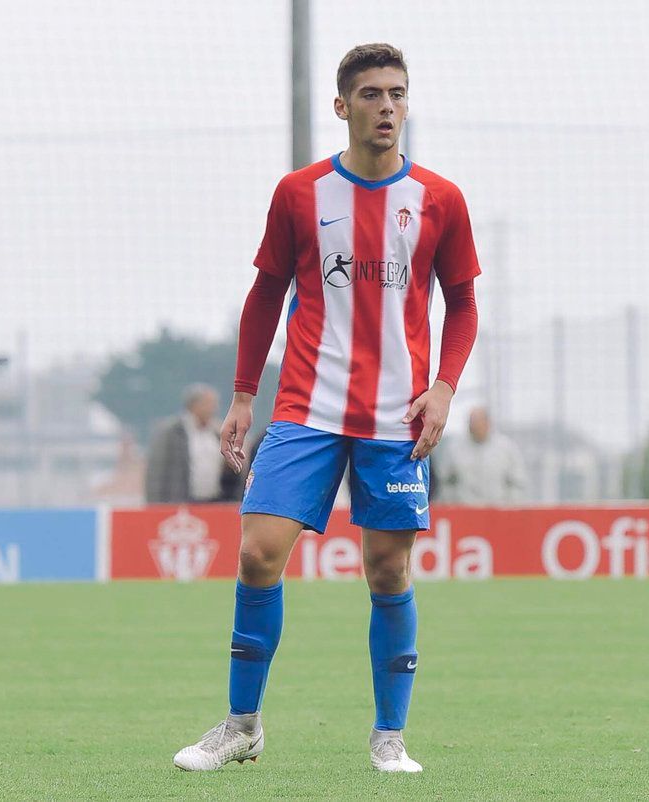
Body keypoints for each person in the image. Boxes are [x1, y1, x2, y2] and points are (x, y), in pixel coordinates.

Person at [173, 43, 480, 774]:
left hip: (394, 418)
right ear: (342, 107)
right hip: (307, 408)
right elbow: (266, 293)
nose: (387, 107)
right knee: (256, 553)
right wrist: (245, 393)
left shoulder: (439, 199)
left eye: (397, 94)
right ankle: (241, 725)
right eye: (371, 94)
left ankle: (389, 737)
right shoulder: (300, 194)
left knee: (386, 571)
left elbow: (463, 303)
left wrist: (443, 387)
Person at [144, 384, 239, 504]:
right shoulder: (171, 432)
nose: (214, 408)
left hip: (215, 502)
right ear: (194, 405)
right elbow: (156, 473)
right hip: (181, 503)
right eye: (209, 404)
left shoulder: (217, 432)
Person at [437, 406, 528, 504]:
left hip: (499, 512)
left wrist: (510, 506)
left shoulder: (506, 448)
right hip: (465, 511)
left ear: (488, 423)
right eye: (472, 423)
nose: (475, 427)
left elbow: (517, 481)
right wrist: (453, 504)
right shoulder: (454, 449)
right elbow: (445, 482)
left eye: (479, 423)